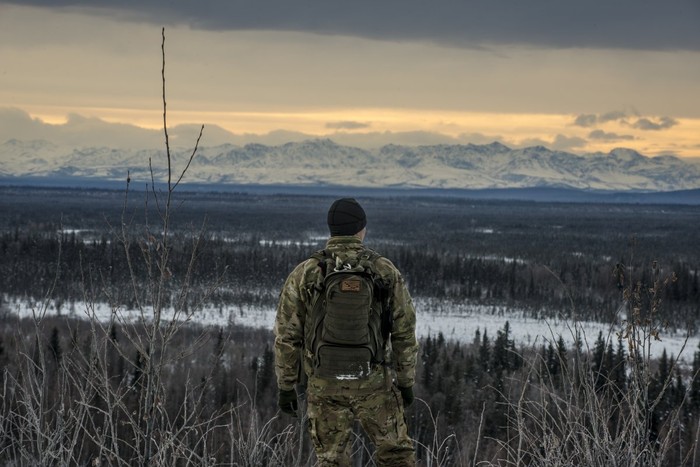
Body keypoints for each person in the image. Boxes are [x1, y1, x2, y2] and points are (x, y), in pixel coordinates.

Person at [274, 197, 419, 466]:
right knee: (396, 454)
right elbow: (404, 331)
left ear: (332, 230)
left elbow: (287, 336)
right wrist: (406, 381)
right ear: (360, 229)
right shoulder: (383, 270)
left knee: (331, 460)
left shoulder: (306, 272)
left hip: (323, 382)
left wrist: (286, 386)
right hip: (373, 381)